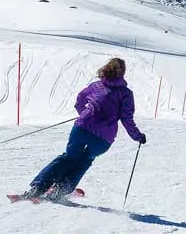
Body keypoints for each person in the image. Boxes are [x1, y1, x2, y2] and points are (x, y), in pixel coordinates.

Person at [20, 57, 146, 200]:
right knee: (85, 160)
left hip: (82, 127)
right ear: (122, 73)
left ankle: (38, 187)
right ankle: (60, 190)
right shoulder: (126, 94)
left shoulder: (96, 86)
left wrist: (86, 114)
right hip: (103, 137)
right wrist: (138, 136)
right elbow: (126, 118)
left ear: (106, 68)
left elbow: (79, 101)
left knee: (69, 157)